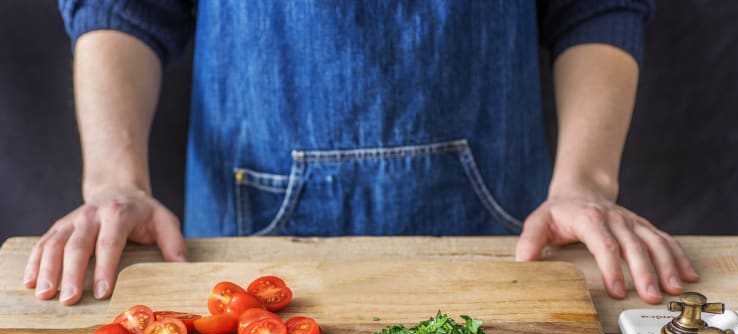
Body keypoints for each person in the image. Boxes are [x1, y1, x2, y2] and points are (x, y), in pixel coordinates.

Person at [25, 0, 697, 306]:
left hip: (509, 245)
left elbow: (595, 6)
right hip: (242, 237)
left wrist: (586, 183)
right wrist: (115, 180)